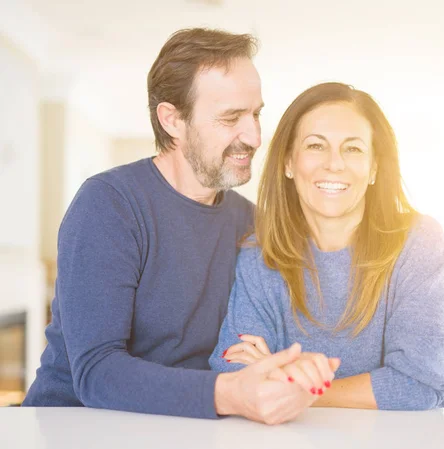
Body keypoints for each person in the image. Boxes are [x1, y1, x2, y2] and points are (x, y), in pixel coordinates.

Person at [22, 28, 338, 425]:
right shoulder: (109, 205)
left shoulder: (251, 222)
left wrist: (268, 367)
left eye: (256, 113)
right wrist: (229, 393)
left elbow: (243, 346)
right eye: (230, 118)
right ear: (172, 120)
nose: (255, 136)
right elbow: (97, 373)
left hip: (182, 427)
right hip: (73, 428)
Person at [209, 82, 444, 410]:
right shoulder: (260, 253)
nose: (334, 164)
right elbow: (233, 367)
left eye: (353, 149)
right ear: (288, 162)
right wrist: (275, 381)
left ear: (373, 168)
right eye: (316, 146)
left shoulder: (418, 241)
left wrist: (294, 385)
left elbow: (419, 383)